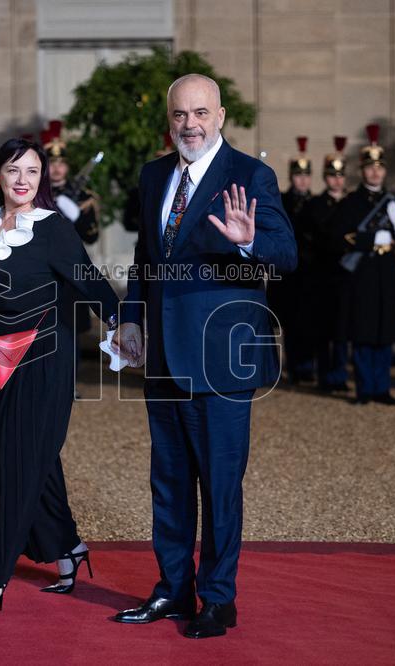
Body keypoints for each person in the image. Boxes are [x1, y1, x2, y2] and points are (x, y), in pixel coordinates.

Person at [112, 74, 296, 639]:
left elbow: (285, 254)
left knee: (219, 486)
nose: (188, 124)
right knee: (167, 483)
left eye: (199, 113)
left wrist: (247, 241)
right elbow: (146, 257)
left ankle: (218, 600)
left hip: (221, 361)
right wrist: (133, 319)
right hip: (164, 358)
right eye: (178, 115)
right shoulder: (152, 176)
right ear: (169, 120)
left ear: (220, 117)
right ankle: (172, 588)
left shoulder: (250, 175)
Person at [0, 138, 122, 617]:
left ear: (44, 179)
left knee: (12, 470)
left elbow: (91, 281)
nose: (23, 179)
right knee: (32, 462)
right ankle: (68, 547)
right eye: (14, 170)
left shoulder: (53, 228)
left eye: (33, 171)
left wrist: (125, 325)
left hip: (42, 365)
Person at [331, 124, 395, 405]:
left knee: (384, 330)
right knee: (363, 331)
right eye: (370, 167)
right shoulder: (352, 202)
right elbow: (342, 238)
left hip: (386, 267)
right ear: (362, 170)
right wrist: (370, 237)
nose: (375, 172)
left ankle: (382, 388)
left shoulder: (393, 202)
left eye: (380, 168)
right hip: (363, 270)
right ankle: (365, 388)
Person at [42, 120, 101, 391]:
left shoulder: (84, 196)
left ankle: (68, 382)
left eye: (61, 163)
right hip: (41, 271)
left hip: (70, 273)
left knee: (70, 328)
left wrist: (75, 217)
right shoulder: (34, 193)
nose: (56, 168)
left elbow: (91, 236)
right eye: (51, 162)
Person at [266, 137, 314, 383]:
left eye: (306, 175)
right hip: (284, 272)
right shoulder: (282, 201)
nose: (302, 180)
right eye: (298, 175)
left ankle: (302, 366)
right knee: (280, 321)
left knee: (304, 322)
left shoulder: (316, 203)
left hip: (308, 271)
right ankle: (278, 366)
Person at [305, 136, 350, 391]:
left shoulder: (351, 203)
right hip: (322, 274)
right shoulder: (315, 204)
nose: (337, 179)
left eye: (341, 175)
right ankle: (324, 375)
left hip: (345, 275)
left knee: (343, 331)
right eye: (332, 175)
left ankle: (340, 374)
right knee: (323, 330)